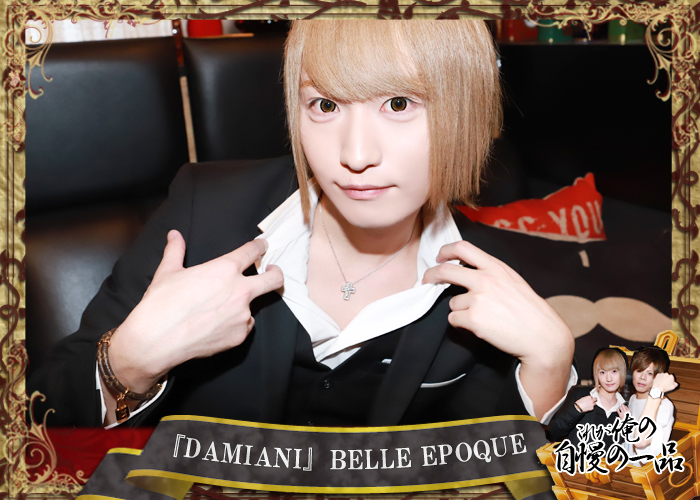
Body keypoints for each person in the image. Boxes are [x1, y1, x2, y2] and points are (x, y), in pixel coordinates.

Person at [28, 20, 575, 428]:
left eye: (398, 103)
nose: (355, 155)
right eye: (325, 106)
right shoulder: (204, 212)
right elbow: (40, 418)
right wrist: (128, 363)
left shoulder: (499, 272)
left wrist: (550, 371)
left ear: (466, 113)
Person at [546, 348, 627, 447]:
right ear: (596, 374)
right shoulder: (579, 394)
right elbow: (552, 433)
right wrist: (577, 409)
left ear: (622, 372)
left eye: (614, 371)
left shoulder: (625, 408)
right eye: (603, 372)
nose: (609, 378)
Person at [619, 347, 677, 463]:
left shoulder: (664, 405)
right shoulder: (633, 398)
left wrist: (627, 422)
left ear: (657, 377)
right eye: (639, 371)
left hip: (647, 469)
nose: (642, 377)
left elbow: (644, 449)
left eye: (650, 373)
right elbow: (628, 444)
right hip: (627, 466)